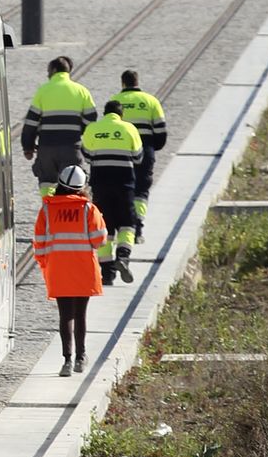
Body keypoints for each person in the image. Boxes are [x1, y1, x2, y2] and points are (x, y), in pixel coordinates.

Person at [31, 162, 108, 375]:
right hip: (84, 269)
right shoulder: (88, 209)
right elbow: (99, 240)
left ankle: (66, 360)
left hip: (58, 269)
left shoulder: (47, 209)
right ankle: (81, 358)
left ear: (60, 185)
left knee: (65, 315)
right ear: (82, 187)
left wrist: (44, 263)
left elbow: (39, 241)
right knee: (81, 314)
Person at [80, 99, 145, 287]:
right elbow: (139, 157)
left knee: (104, 226)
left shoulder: (93, 128)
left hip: (101, 183)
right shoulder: (130, 129)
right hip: (125, 183)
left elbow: (87, 155)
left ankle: (106, 273)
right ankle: (123, 257)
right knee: (127, 224)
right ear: (121, 114)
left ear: (104, 112)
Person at [19, 56, 98, 199]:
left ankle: (49, 211)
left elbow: (31, 122)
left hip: (47, 148)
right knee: (73, 182)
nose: (47, 74)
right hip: (71, 147)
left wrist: (28, 147)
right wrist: (79, 132)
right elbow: (91, 118)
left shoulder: (43, 91)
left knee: (47, 183)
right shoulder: (81, 91)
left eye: (48, 71)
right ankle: (72, 213)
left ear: (54, 70)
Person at [110, 70, 168, 240]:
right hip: (145, 148)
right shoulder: (151, 101)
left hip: (121, 151)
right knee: (141, 189)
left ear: (123, 83)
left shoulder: (114, 101)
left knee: (123, 187)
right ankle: (138, 227)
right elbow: (161, 132)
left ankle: (123, 225)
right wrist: (152, 147)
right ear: (137, 81)